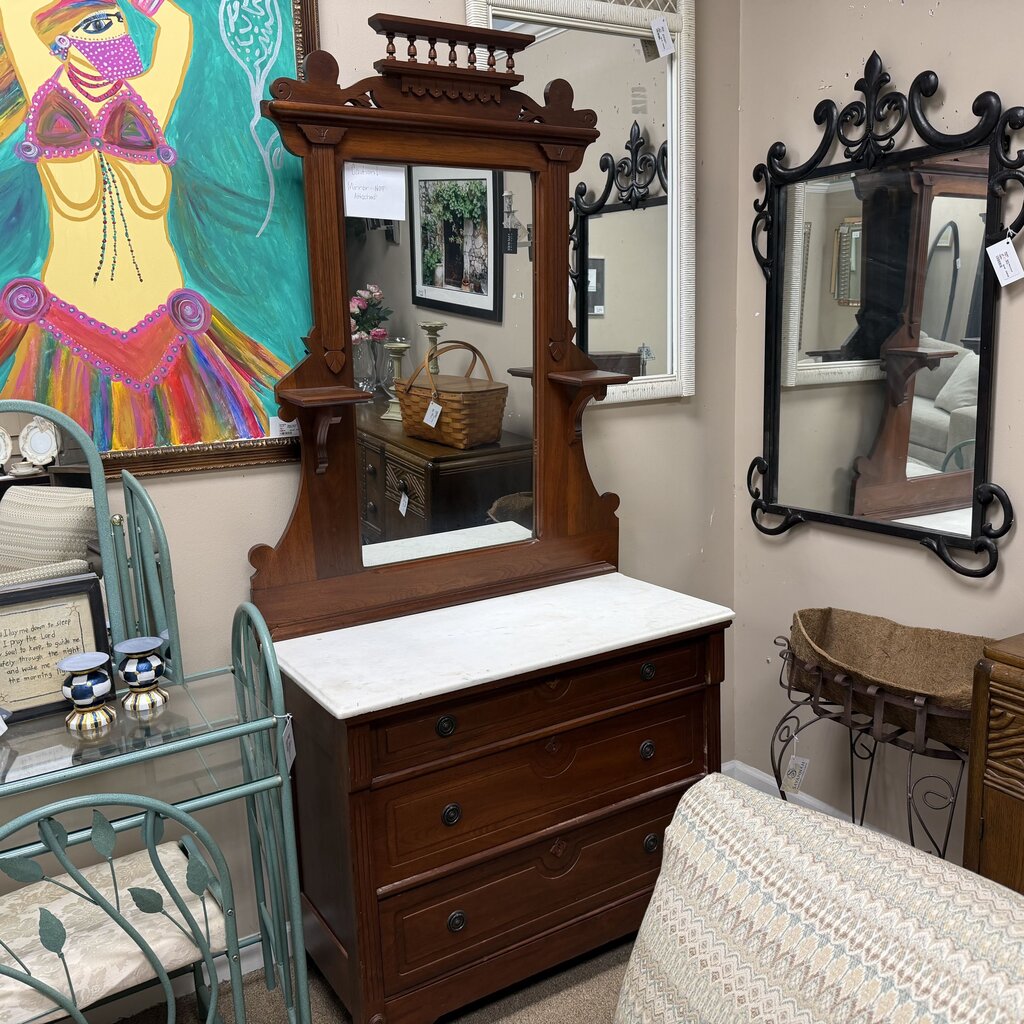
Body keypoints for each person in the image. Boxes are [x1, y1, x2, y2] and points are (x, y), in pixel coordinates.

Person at [0, 0, 288, 451]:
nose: (117, 34)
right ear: (63, 41)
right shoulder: (45, 92)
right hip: (71, 331)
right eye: (98, 24)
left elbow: (176, 25)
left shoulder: (147, 99)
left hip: (167, 331)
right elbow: (13, 10)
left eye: (119, 21)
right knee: (73, 465)